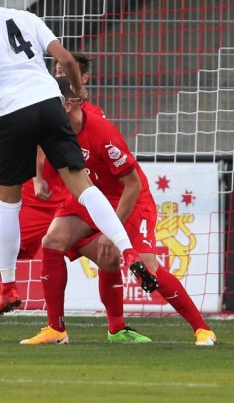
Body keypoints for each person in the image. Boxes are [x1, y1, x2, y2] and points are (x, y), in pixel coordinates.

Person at [0, 0, 156, 308]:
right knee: (85, 189)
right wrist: (79, 88)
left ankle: (8, 287)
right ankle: (127, 250)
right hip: (50, 104)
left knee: (9, 205)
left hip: (13, 112)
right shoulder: (25, 16)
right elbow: (66, 59)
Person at [0, 52, 152, 343]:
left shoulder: (91, 116)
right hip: (39, 199)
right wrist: (37, 178)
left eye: (65, 70)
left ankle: (116, 328)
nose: (60, 73)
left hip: (72, 200)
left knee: (107, 258)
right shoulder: (43, 104)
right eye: (57, 69)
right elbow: (37, 143)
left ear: (82, 82)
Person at [20, 77, 217, 346]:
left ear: (69, 104)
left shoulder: (103, 134)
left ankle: (202, 329)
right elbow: (40, 146)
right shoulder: (53, 128)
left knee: (147, 265)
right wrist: (38, 177)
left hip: (128, 198)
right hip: (90, 193)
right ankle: (57, 329)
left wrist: (111, 231)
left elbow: (133, 185)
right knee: (52, 240)